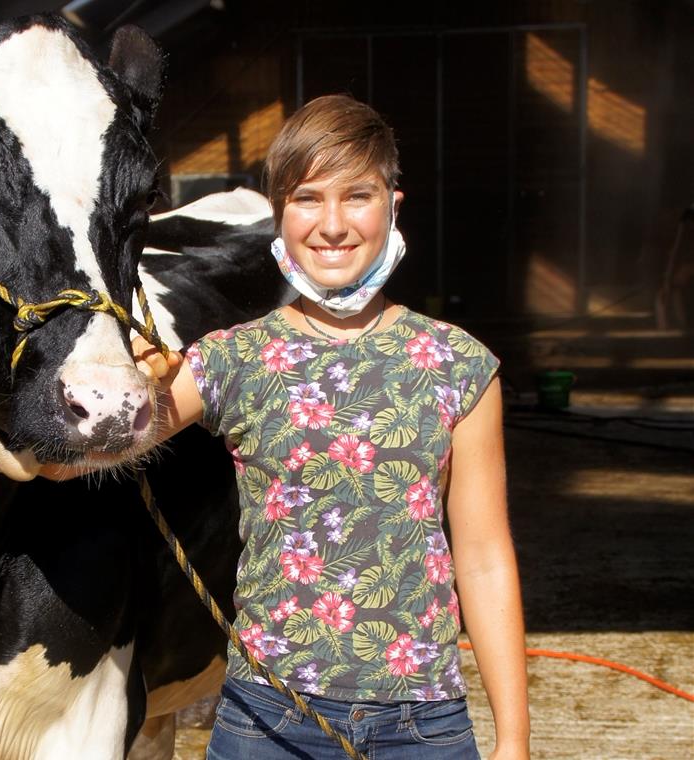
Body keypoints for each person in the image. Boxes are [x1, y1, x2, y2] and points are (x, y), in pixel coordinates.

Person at [47, 93, 530, 759]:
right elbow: (65, 459)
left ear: (392, 207)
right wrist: (125, 381)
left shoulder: (460, 367)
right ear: (280, 215)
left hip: (421, 725)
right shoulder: (232, 358)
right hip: (269, 722)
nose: (332, 224)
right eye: (307, 198)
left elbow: (483, 560)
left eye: (356, 196)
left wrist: (514, 740)